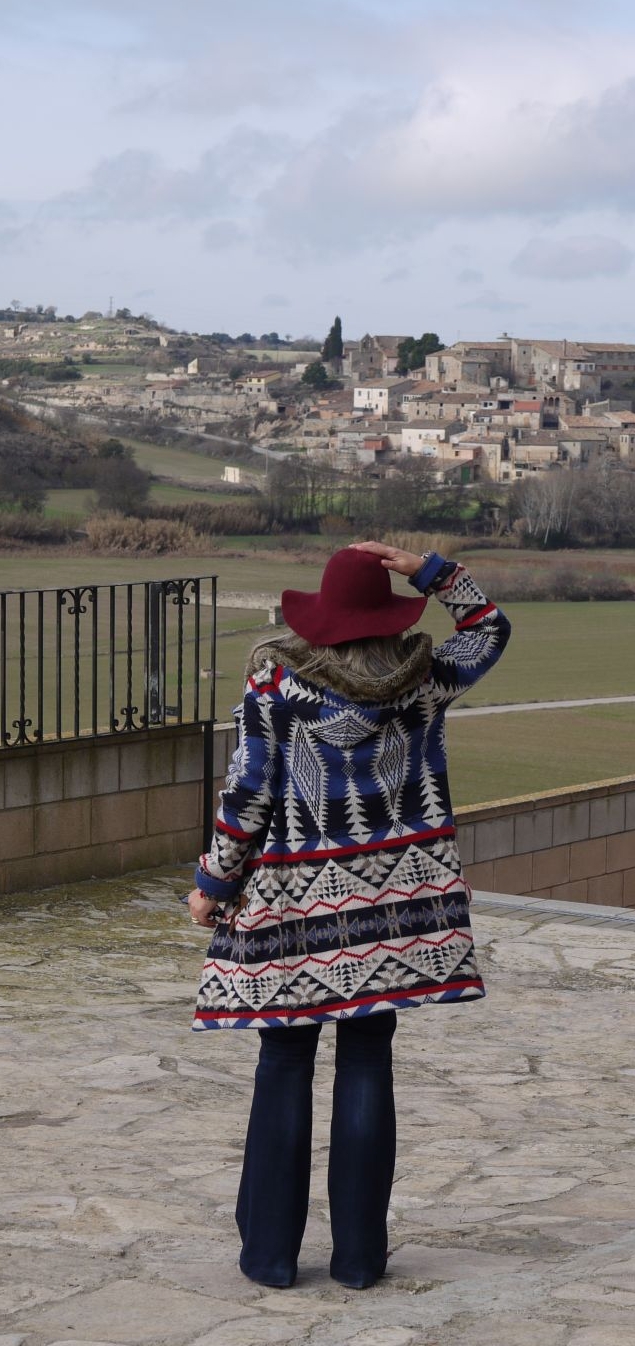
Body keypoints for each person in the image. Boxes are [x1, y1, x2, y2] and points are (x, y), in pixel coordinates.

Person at [187, 540, 511, 1290]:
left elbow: (248, 796)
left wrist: (212, 881)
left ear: (321, 615)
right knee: (368, 1060)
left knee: (283, 1062)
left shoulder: (275, 683)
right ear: (388, 614)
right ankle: (360, 1259)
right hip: (396, 910)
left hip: (293, 907)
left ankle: (270, 1256)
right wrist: (429, 570)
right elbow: (490, 628)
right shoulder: (425, 678)